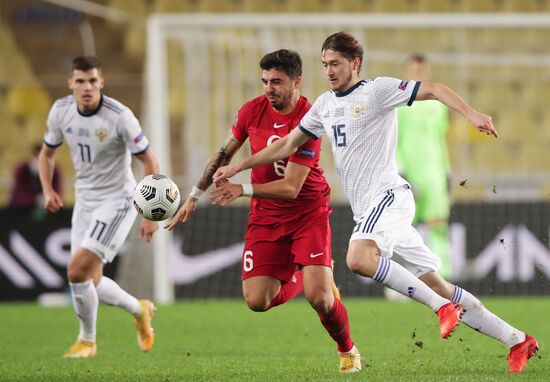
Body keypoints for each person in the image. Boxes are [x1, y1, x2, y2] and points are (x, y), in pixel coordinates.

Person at [212, 32, 539, 373]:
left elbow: (433, 89)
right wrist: (240, 165)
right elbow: (287, 145)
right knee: (437, 284)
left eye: (335, 63)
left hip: (389, 196)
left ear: (354, 63)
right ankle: (516, 339)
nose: (329, 71)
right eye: (325, 65)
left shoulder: (377, 91)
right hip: (370, 209)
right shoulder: (324, 104)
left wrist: (471, 114)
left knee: (358, 257)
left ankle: (442, 309)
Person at [165, 49, 361, 373]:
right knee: (257, 301)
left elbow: (291, 187)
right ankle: (306, 273)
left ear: (296, 82)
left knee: (321, 299)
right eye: (265, 81)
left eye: (277, 82)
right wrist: (194, 196)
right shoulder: (250, 112)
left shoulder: (310, 119)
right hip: (266, 215)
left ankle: (347, 350)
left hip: (306, 211)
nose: (269, 88)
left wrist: (241, 188)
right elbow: (223, 154)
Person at [39, 56, 159, 358]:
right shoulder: (61, 111)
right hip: (85, 200)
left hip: (118, 199)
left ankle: (87, 342)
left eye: (92, 80)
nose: (87, 87)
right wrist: (48, 189)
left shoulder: (120, 116)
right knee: (89, 279)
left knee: (77, 271)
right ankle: (139, 309)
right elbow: (46, 155)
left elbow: (150, 161)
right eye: (80, 81)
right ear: (71, 84)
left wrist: (150, 212)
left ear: (101, 82)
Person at [397, 54, 452, 279]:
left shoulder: (438, 105)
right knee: (400, 231)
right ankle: (400, 282)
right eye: (414, 70)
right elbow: (394, 142)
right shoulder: (399, 104)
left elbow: (439, 139)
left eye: (422, 71)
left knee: (438, 226)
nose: (419, 75)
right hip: (409, 175)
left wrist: (447, 172)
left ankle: (445, 279)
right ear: (407, 73)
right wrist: (400, 172)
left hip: (435, 175)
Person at [9, 143, 62, 209]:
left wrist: (50, 198)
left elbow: (57, 189)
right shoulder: (22, 170)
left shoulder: (54, 170)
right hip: (21, 209)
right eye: (37, 157)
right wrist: (35, 200)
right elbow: (19, 193)